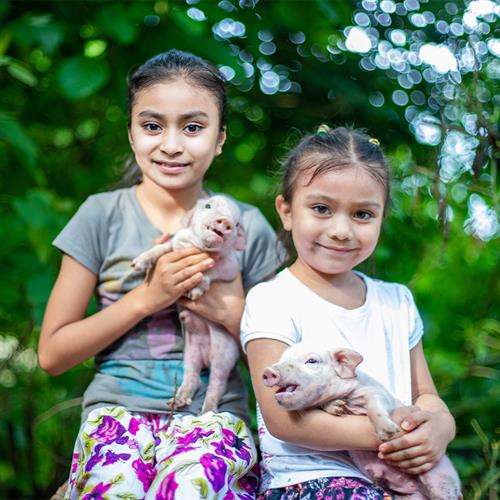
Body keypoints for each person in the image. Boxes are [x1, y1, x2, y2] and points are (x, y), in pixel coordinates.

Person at [38, 49, 281, 499]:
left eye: (193, 127)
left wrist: (229, 310)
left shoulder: (247, 227)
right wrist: (149, 297)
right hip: (117, 413)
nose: (171, 144)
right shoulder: (101, 215)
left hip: (214, 418)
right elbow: (53, 354)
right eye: (152, 126)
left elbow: (280, 368)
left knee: (191, 489)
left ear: (220, 137)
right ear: (131, 134)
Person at [241, 125, 457, 499]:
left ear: (381, 217)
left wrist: (440, 427)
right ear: (287, 210)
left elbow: (425, 394)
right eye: (321, 209)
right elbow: (283, 419)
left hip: (399, 471)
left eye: (362, 214)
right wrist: (394, 432)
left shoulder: (396, 301)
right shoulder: (271, 299)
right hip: (313, 477)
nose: (341, 230)